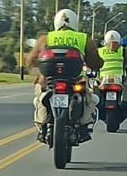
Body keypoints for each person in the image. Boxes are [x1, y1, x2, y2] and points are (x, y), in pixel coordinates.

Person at [27, 9, 103, 143]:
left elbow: (31, 60)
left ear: (56, 22)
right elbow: (95, 62)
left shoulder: (46, 38)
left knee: (39, 99)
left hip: (47, 81)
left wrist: (39, 65)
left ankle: (42, 127)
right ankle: (84, 128)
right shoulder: (83, 38)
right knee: (88, 99)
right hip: (76, 81)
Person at [98, 30, 127, 119]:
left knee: (92, 89)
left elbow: (95, 62)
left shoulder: (100, 51)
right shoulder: (122, 50)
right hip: (119, 78)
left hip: (102, 79)